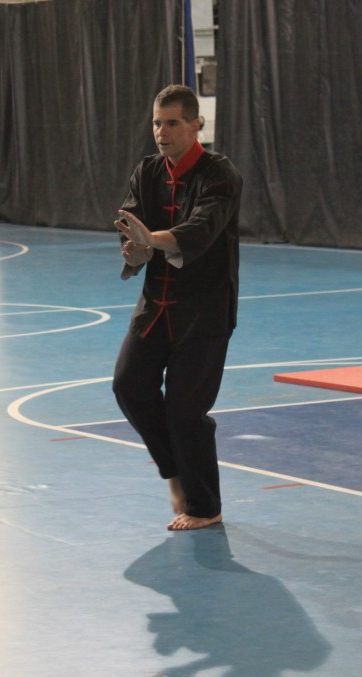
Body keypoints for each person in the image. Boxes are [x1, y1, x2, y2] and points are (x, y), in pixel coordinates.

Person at [112, 84, 243, 532]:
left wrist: (152, 240)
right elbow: (133, 232)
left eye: (171, 123)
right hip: (156, 307)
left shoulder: (220, 174)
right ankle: (175, 472)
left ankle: (205, 506)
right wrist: (135, 249)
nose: (161, 132)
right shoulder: (147, 171)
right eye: (156, 123)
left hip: (204, 314)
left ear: (195, 125)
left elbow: (200, 231)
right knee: (129, 385)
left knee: (185, 411)